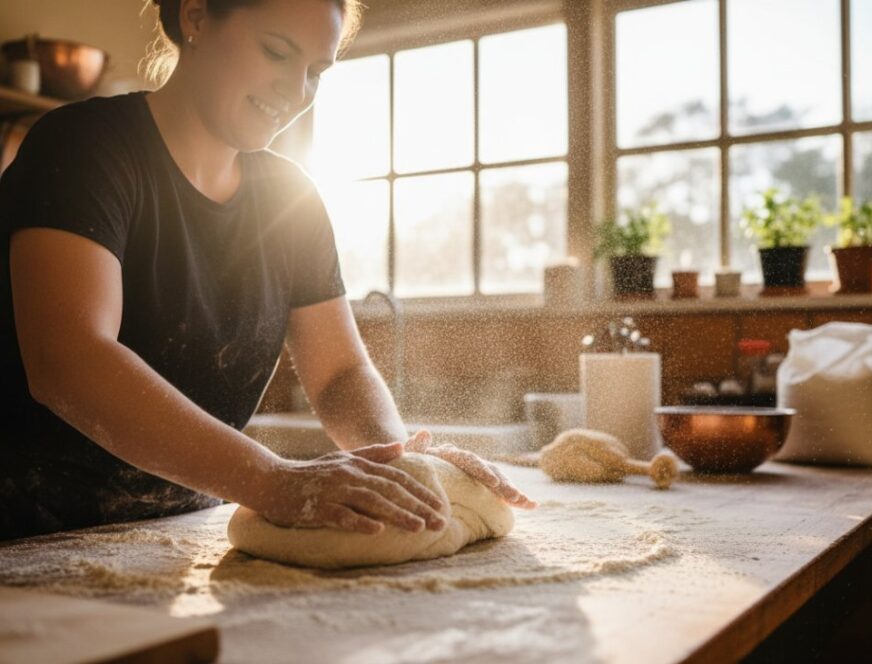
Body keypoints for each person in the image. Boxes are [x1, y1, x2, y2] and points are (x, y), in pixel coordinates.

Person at [0, 0, 535, 541]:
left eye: (316, 72)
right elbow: (68, 360)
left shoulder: (289, 197)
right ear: (196, 16)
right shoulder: (86, 149)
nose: (296, 90)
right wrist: (271, 478)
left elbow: (338, 374)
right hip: (21, 533)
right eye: (277, 52)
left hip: (165, 535)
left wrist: (396, 461)